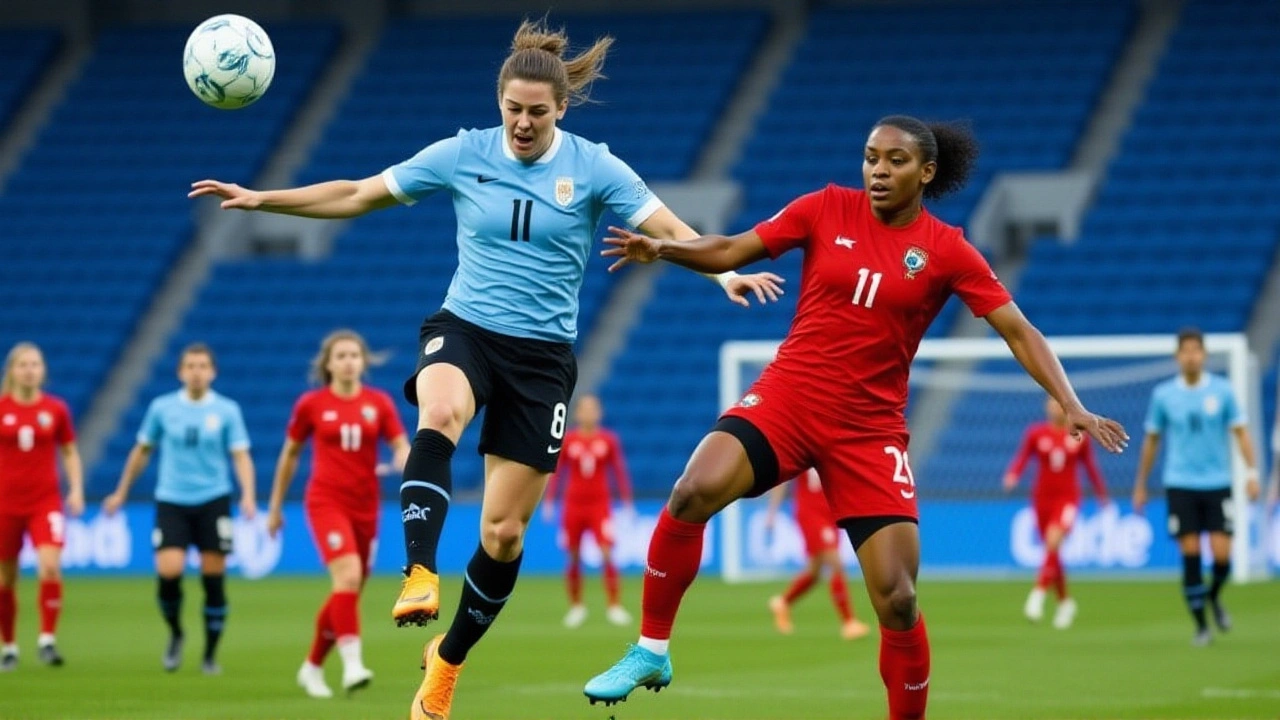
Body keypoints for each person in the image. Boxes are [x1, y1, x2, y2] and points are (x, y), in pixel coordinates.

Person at [188, 18, 783, 719]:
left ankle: (447, 662)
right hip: (465, 330)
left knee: (503, 535)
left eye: (537, 111)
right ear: (498, 102)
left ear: (561, 108)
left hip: (543, 361)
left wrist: (722, 277)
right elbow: (356, 193)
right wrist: (264, 199)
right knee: (438, 412)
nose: (523, 123)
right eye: (513, 109)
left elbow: (672, 230)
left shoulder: (595, 167)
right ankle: (418, 571)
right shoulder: (461, 153)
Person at [583, 115, 1129, 720]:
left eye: (894, 161)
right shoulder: (824, 207)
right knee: (693, 489)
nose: (877, 170)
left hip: (868, 431)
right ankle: (651, 648)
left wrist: (1072, 404)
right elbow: (732, 248)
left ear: (925, 172)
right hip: (790, 397)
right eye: (870, 157)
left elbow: (1019, 331)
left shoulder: (948, 249)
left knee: (897, 597)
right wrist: (665, 248)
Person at [267, 330, 410, 698]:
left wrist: (401, 459)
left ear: (363, 361)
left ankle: (311, 668)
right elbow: (291, 455)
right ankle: (352, 666)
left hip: (366, 506)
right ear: (328, 364)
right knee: (346, 577)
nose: (348, 361)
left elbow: (400, 444)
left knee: (346, 592)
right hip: (326, 501)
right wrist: (275, 505)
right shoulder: (311, 405)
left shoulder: (378, 403)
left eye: (354, 355)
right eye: (341, 356)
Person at [103, 343, 256, 675]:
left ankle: (210, 655)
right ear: (180, 372)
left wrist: (247, 494)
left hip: (213, 500)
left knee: (212, 578)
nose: (197, 371)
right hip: (172, 499)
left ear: (212, 371)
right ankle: (175, 633)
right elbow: (142, 450)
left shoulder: (227, 410)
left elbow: (240, 455)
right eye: (190, 365)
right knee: (169, 572)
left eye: (203, 365)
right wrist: (121, 491)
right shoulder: (163, 408)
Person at [1132, 328, 1260, 647]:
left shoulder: (1223, 391)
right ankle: (1202, 626)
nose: (1191, 356)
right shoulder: (1164, 395)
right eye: (1185, 351)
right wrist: (1140, 484)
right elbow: (1152, 440)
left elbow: (1241, 433)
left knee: (1222, 555)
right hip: (1180, 484)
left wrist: (1252, 473)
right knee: (1190, 554)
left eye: (1196, 350)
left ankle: (1213, 597)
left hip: (1217, 483)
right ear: (1178, 356)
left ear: (1204, 355)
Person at [0, 343, 83, 670]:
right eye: (23, 365)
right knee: (6, 577)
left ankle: (47, 640)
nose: (30, 370)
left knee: (49, 565)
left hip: (44, 501)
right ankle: (9, 646)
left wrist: (75, 488)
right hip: (5, 503)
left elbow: (69, 450)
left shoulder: (56, 409)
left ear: (43, 370)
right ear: (12, 370)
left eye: (35, 364)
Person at [1003, 396, 1108, 629]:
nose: (1055, 408)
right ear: (1046, 406)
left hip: (1068, 499)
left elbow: (1090, 467)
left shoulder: (1079, 436)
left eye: (1059, 404)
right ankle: (1065, 602)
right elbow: (1022, 458)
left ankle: (1037, 595)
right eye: (1052, 403)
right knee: (1053, 553)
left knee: (1053, 542)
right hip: (1042, 499)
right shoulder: (1036, 433)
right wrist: (1013, 474)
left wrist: (1102, 495)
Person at [541, 394, 634, 628]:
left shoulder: (608, 440)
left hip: (599, 505)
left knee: (606, 552)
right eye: (585, 409)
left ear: (599, 413)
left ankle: (614, 606)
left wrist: (626, 501)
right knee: (573, 555)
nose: (589, 413)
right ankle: (576, 606)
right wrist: (550, 501)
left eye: (593, 409)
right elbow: (557, 472)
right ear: (578, 413)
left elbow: (619, 471)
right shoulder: (569, 440)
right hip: (573, 504)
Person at [764, 469, 870, 640]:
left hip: (832, 512)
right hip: (811, 512)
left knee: (815, 571)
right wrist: (772, 512)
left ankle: (782, 602)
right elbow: (782, 479)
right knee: (835, 562)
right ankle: (849, 622)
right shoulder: (804, 450)